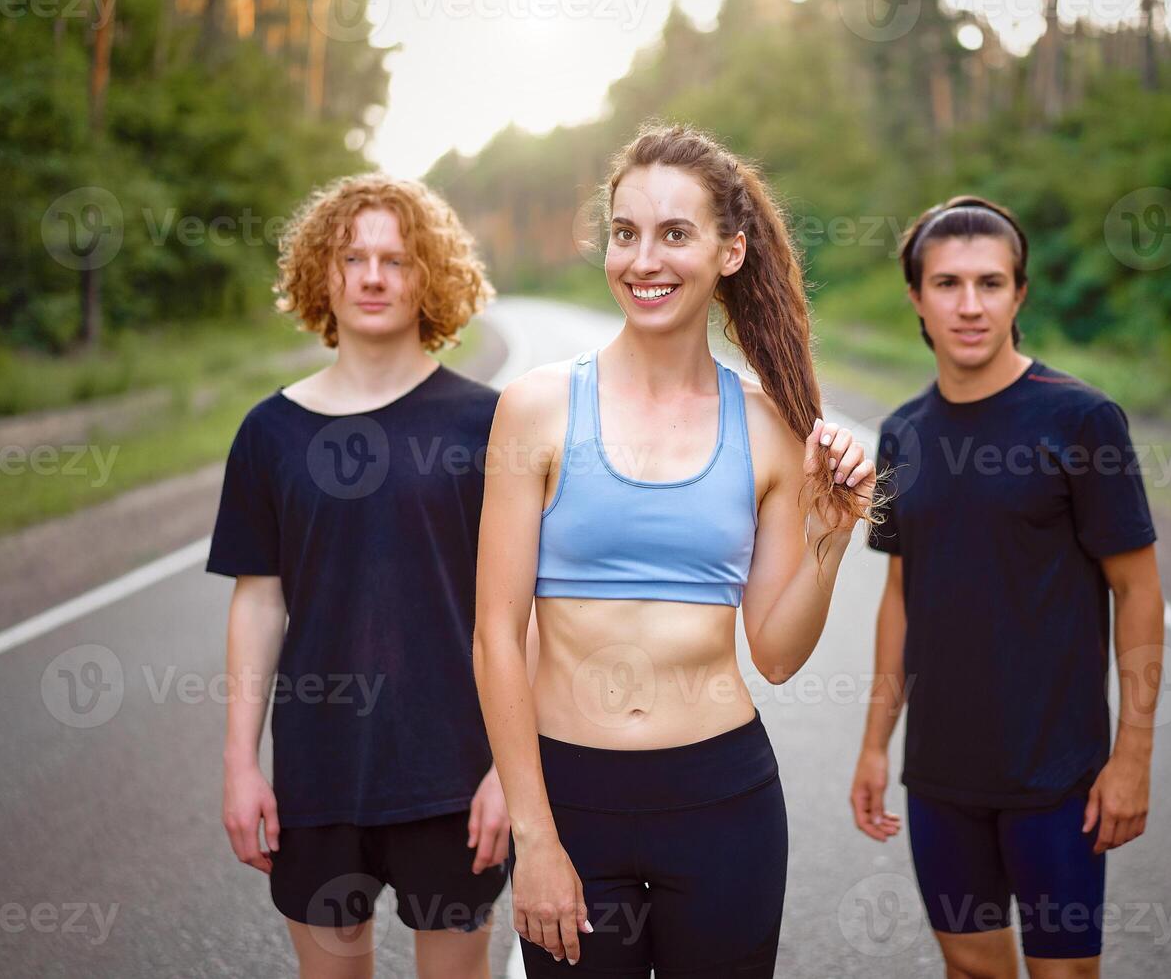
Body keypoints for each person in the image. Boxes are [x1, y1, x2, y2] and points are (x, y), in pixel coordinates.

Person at [471, 124, 880, 977]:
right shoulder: (536, 410)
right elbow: (496, 639)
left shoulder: (769, 428)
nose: (642, 260)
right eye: (626, 233)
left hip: (723, 803)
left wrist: (831, 539)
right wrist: (534, 837)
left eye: (674, 234)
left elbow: (775, 652)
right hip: (572, 801)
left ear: (730, 252)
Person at [850, 197, 1167, 979]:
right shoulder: (901, 435)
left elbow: (1139, 590)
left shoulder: (1082, 420)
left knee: (1062, 974)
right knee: (972, 969)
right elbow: (900, 595)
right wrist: (872, 744)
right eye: (947, 283)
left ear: (1019, 295)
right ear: (917, 298)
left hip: (1057, 774)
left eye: (990, 284)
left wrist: (1133, 755)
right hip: (942, 775)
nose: (968, 305)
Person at [207, 173, 513, 979]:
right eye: (352, 257)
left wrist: (508, 771)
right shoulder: (268, 432)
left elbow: (523, 610)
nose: (373, 277)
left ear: (429, 278)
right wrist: (241, 765)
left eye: (397, 260)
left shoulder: (486, 423)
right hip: (318, 775)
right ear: (322, 274)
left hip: (452, 775)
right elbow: (258, 601)